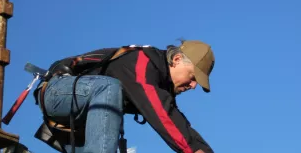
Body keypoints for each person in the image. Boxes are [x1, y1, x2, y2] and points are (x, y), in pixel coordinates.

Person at [33, 39, 215, 153]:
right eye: (193, 77)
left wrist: (203, 150)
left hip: (81, 122)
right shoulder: (143, 64)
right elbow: (162, 116)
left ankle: (62, 135)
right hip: (57, 91)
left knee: (111, 97)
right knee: (109, 88)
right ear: (176, 60)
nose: (193, 85)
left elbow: (176, 120)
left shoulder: (158, 83)